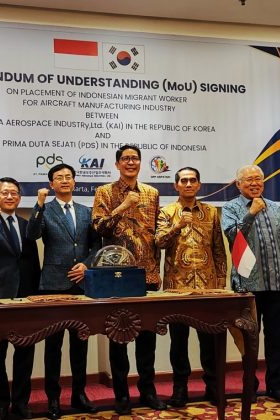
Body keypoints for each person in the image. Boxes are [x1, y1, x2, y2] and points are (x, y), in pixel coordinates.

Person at [92, 144, 167, 414]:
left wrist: (157, 269)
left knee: (148, 339)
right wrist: (123, 206)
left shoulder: (152, 193)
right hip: (117, 276)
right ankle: (121, 396)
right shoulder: (105, 192)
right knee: (118, 337)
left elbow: (157, 234)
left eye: (135, 158)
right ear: (117, 164)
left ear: (140, 163)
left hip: (147, 274)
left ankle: (148, 392)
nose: (131, 162)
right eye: (125, 159)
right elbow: (99, 228)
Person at [25, 164, 101, 419]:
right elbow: (32, 235)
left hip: (82, 285)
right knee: (53, 348)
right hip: (54, 284)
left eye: (69, 177)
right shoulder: (45, 209)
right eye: (59, 178)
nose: (65, 180)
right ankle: (53, 400)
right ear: (52, 184)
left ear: (75, 182)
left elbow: (96, 245)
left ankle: (79, 395)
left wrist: (86, 265)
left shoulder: (86, 211)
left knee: (80, 345)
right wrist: (39, 204)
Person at [221, 164, 280, 404]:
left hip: (277, 284)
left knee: (277, 338)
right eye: (249, 180)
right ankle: (249, 387)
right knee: (249, 340)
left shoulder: (274, 207)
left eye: (258, 179)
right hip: (247, 286)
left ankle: (276, 387)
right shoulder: (230, 208)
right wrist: (250, 213)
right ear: (238, 184)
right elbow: (233, 236)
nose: (254, 184)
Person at [155, 167, 227, 408]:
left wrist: (221, 279)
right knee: (179, 343)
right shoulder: (167, 212)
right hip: (177, 287)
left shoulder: (211, 212)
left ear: (198, 184)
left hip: (208, 286)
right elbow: (159, 242)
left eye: (192, 180)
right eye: (183, 180)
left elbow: (219, 248)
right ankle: (180, 389)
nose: (188, 184)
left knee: (210, 341)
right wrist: (177, 226)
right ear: (176, 185)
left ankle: (213, 387)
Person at [0, 177, 41, 420]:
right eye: (5, 193)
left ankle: (21, 402)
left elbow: (32, 262)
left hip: (25, 297)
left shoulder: (26, 225)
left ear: (20, 198)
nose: (10, 196)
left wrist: (37, 294)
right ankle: (0, 403)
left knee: (25, 352)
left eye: (14, 193)